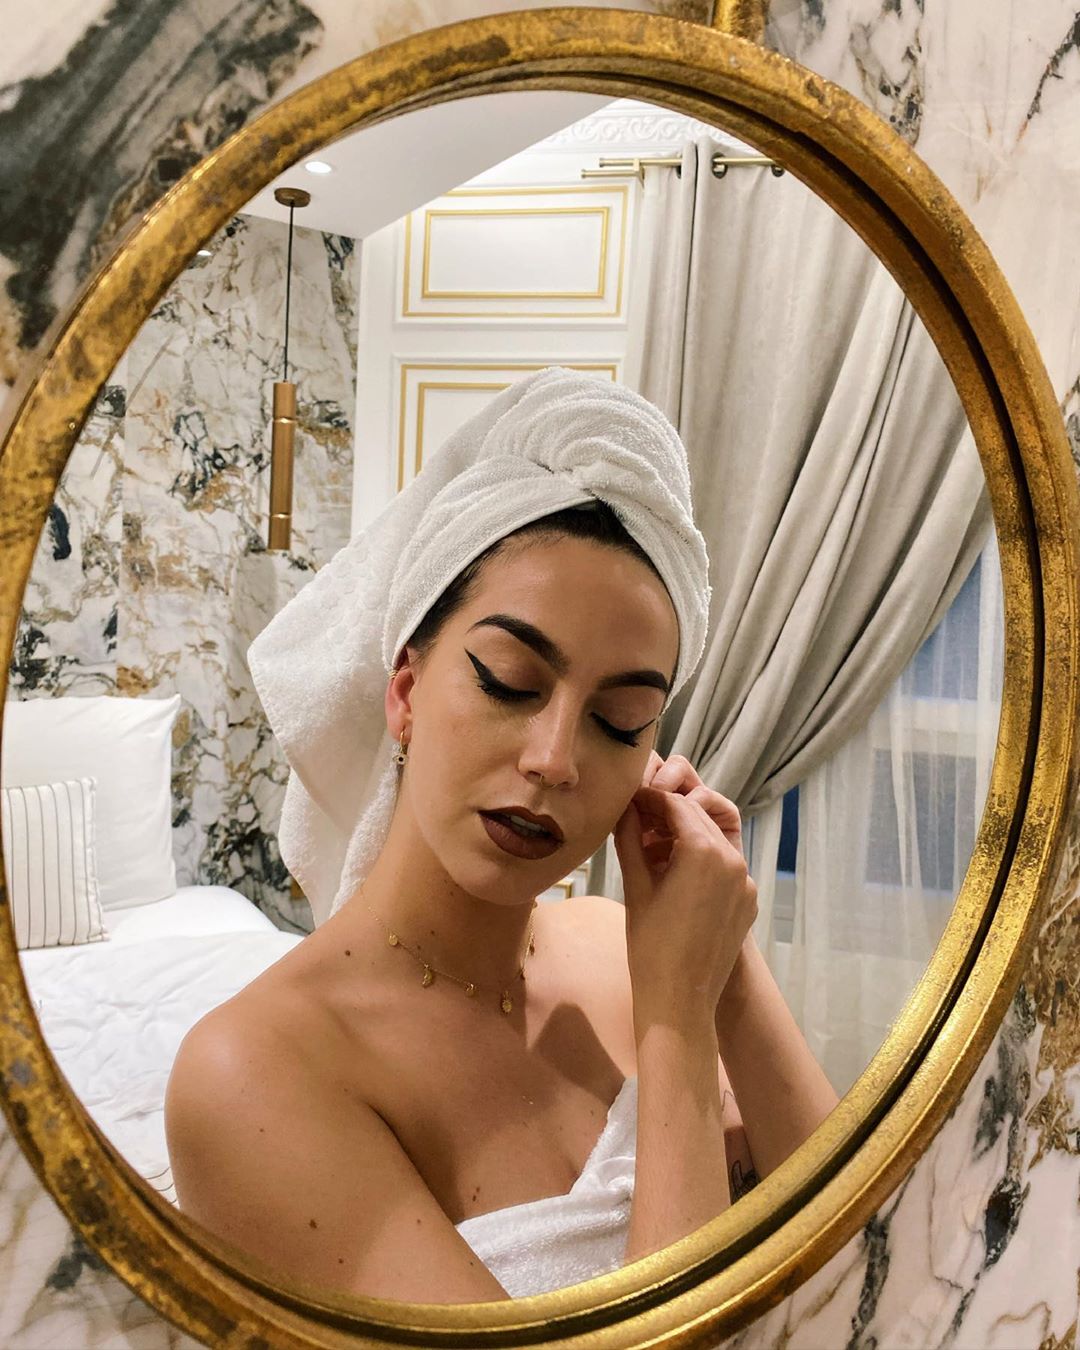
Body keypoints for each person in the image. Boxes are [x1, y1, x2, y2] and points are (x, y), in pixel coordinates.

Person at [164, 368, 838, 1304]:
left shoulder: (621, 944)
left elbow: (861, 1257)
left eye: (619, 722)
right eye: (509, 682)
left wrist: (726, 962)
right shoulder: (252, 1076)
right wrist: (676, 1022)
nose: (554, 759)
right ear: (405, 690)